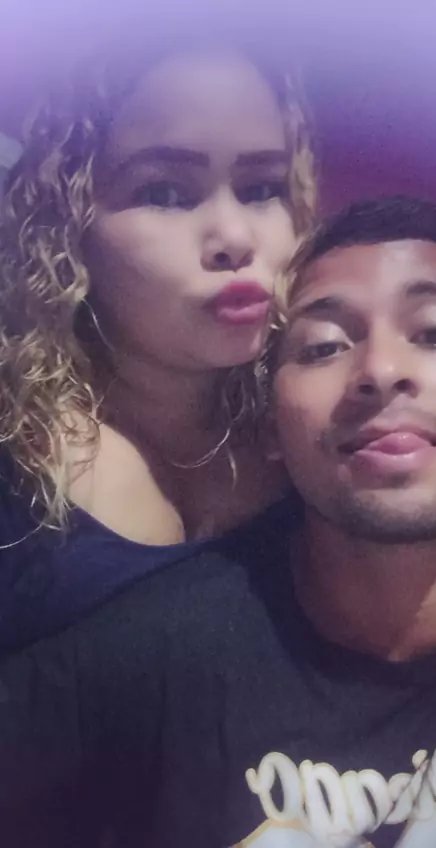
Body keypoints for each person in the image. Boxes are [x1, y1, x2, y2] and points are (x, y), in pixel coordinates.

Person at [2, 195, 436, 848]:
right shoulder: (159, 654)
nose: (381, 370)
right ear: (271, 426)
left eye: (435, 333)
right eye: (324, 346)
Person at [0, 37, 316, 651]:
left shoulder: (314, 424)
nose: (234, 237)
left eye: (261, 188)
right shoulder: (16, 460)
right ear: (71, 228)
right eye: (166, 193)